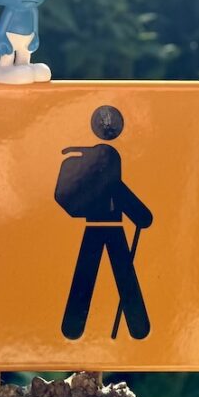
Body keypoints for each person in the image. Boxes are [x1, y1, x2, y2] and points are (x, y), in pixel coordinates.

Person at [57, 105, 152, 340]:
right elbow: (124, 196)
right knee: (123, 275)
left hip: (94, 229)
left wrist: (142, 216)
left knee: (87, 274)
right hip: (113, 229)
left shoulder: (95, 178)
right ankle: (138, 328)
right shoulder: (110, 177)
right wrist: (142, 217)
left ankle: (73, 328)